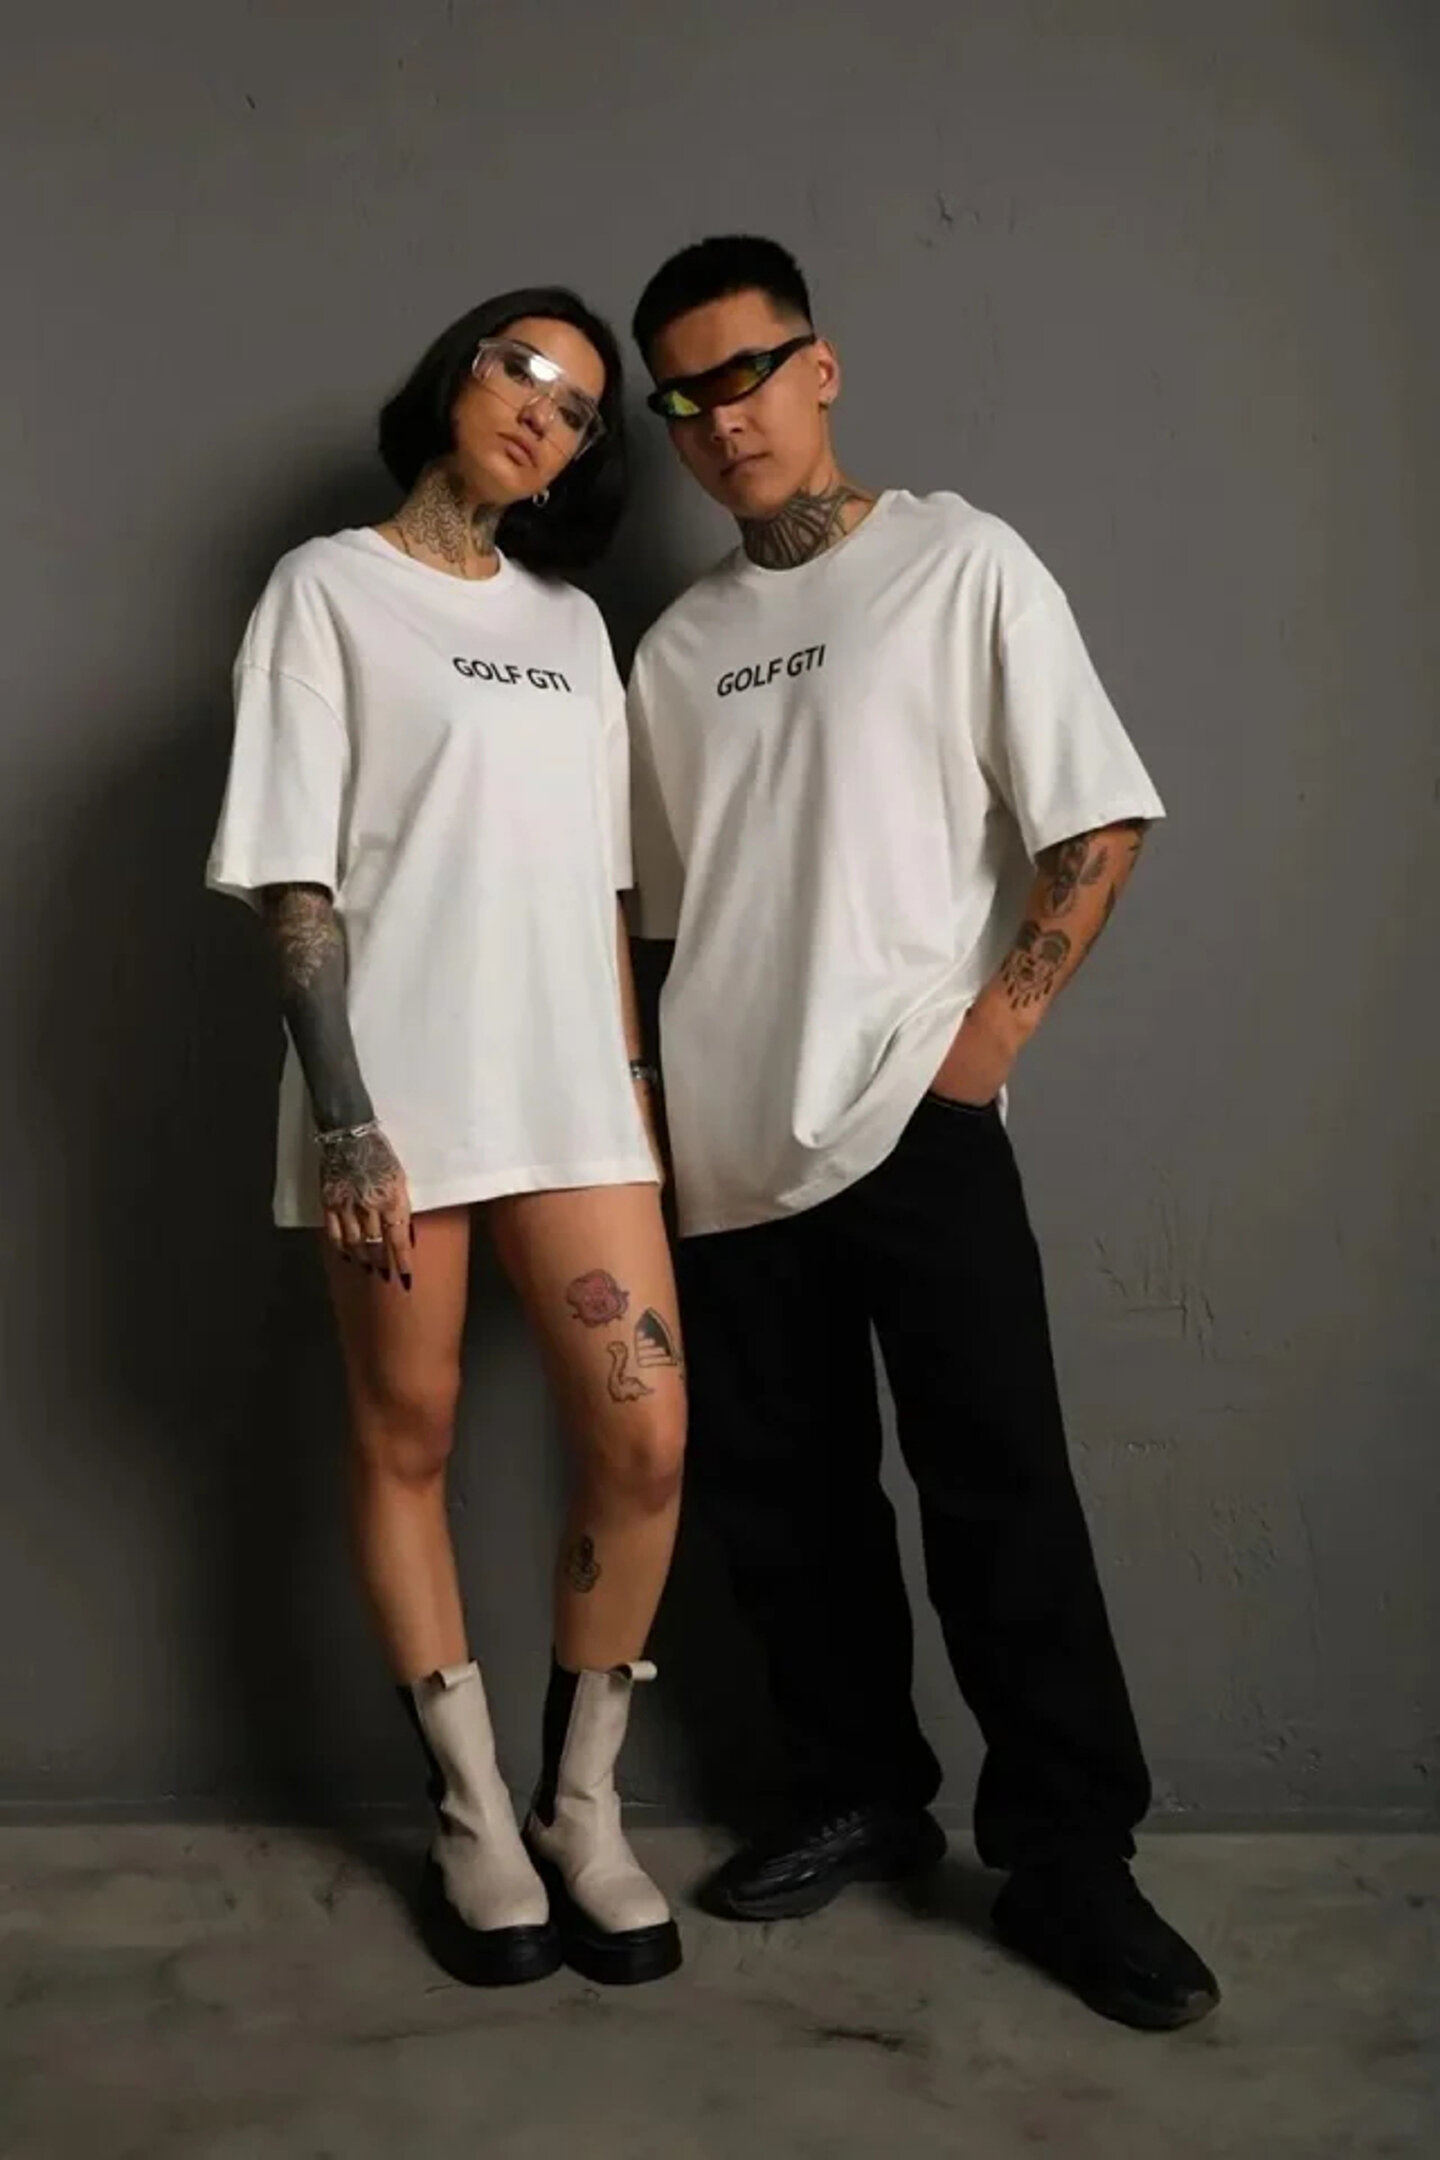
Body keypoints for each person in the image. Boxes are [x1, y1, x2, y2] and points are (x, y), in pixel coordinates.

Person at [625, 235, 1219, 2030]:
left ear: (821, 367)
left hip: (913, 1114)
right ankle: (858, 1794)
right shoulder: (675, 649)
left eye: (748, 373)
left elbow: (1094, 825)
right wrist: (654, 1127)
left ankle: (1069, 1860)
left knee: (999, 1490)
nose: (722, 419)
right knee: (786, 1507)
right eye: (684, 397)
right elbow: (656, 927)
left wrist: (982, 1051)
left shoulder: (962, 563)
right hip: (724, 1151)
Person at [206, 288, 685, 1990]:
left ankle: (583, 1807)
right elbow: (294, 874)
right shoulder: (326, 590)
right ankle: (474, 1812)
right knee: (405, 1436)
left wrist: (632, 1090)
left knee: (644, 1440)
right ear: (456, 376)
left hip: (574, 1095)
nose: (544, 409)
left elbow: (610, 887)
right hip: (392, 1093)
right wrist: (345, 1122)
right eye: (521, 367)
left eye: (580, 408)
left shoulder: (572, 627)